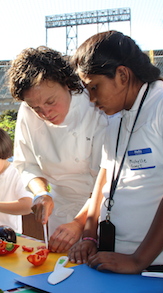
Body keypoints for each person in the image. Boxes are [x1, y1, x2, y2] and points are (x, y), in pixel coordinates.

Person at [67, 30, 163, 274]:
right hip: (110, 258)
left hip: (157, 265)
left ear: (122, 75)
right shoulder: (114, 118)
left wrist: (138, 260)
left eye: (95, 87)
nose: (91, 99)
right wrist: (89, 236)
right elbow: (104, 179)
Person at [7, 46, 107, 252]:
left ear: (67, 85)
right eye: (36, 108)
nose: (45, 112)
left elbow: (106, 181)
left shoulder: (94, 105)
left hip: (101, 209)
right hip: (60, 213)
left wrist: (81, 224)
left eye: (50, 102)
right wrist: (41, 193)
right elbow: (26, 164)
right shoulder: (27, 111)